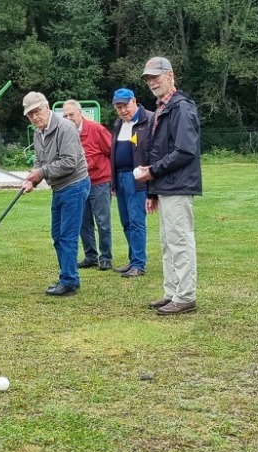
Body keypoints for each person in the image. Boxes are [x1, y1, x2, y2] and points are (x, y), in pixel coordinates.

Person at [137, 57, 202, 315]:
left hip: (178, 185)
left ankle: (185, 296)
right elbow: (157, 151)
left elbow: (185, 151)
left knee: (180, 241)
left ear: (170, 75)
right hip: (165, 187)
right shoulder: (162, 109)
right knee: (167, 242)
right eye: (148, 79)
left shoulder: (181, 108)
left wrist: (152, 172)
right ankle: (172, 292)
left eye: (156, 76)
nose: (152, 82)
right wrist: (152, 190)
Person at [20, 92, 90, 297]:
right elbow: (40, 163)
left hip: (75, 185)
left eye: (37, 111)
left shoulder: (65, 128)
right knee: (57, 235)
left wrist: (40, 173)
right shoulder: (38, 132)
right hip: (59, 188)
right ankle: (67, 276)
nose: (34, 117)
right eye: (30, 114)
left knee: (67, 236)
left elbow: (69, 163)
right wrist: (32, 180)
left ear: (47, 107)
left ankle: (69, 281)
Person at [62, 100, 113, 271]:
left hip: (99, 181)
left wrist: (112, 179)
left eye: (71, 114)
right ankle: (91, 256)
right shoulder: (64, 134)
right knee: (83, 222)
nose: (68, 118)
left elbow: (111, 151)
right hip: (78, 183)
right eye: (65, 115)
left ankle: (105, 257)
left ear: (80, 113)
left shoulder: (96, 129)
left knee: (103, 221)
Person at [110, 88, 153, 278]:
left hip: (137, 178)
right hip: (119, 178)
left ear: (134, 101)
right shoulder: (118, 124)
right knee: (126, 221)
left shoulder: (148, 120)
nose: (122, 111)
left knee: (136, 221)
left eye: (124, 106)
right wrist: (113, 182)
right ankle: (132, 259)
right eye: (118, 107)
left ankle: (138, 264)